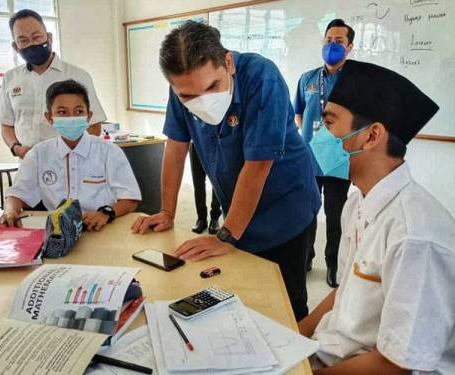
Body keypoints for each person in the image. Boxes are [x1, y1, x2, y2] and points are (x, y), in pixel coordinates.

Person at [297, 60, 455, 374]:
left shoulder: (416, 238)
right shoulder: (356, 204)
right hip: (333, 354)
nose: (319, 134)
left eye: (329, 123)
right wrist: (296, 334)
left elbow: (395, 366)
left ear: (371, 136)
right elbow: (346, 291)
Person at [131, 21, 320, 320]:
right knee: (240, 293)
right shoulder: (182, 85)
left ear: (228, 63)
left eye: (212, 87)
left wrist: (225, 236)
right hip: (238, 206)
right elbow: (176, 147)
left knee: (285, 303)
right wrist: (166, 211)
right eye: (188, 96)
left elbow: (257, 166)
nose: (201, 101)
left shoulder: (262, 77)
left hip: (285, 205)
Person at [0, 79, 141, 230]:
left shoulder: (109, 152)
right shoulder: (38, 154)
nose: (71, 118)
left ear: (89, 116)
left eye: (78, 111)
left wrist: (106, 213)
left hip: (101, 228)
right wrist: (10, 211)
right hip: (58, 231)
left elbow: (130, 198)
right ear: (49, 118)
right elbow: (16, 194)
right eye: (62, 112)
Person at [0, 9, 106, 160]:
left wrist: (75, 153)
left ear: (49, 37)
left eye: (36, 37)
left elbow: (94, 125)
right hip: (28, 162)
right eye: (23, 40)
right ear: (16, 47)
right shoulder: (10, 78)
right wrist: (16, 149)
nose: (32, 44)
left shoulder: (78, 76)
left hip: (70, 161)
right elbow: (6, 124)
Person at [294, 19, 355, 288]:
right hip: (309, 158)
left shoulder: (356, 81)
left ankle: (333, 265)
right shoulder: (307, 78)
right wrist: (314, 139)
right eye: (328, 40)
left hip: (339, 160)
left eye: (339, 41)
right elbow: (298, 114)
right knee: (306, 211)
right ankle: (305, 258)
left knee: (335, 215)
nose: (332, 45)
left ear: (350, 46)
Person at [189, 143, 221, 234]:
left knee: (216, 182)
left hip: (215, 141)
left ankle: (215, 218)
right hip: (195, 142)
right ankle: (201, 219)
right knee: (198, 182)